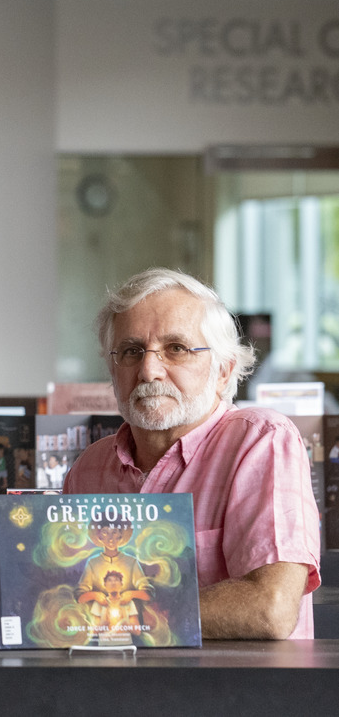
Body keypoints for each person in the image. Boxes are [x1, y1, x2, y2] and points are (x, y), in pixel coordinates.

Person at [64, 267, 320, 639]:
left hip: (236, 694)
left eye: (177, 349)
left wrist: (116, 615)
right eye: (132, 351)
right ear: (111, 368)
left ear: (223, 370)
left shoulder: (261, 441)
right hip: (110, 690)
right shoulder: (89, 468)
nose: (150, 370)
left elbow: (271, 609)